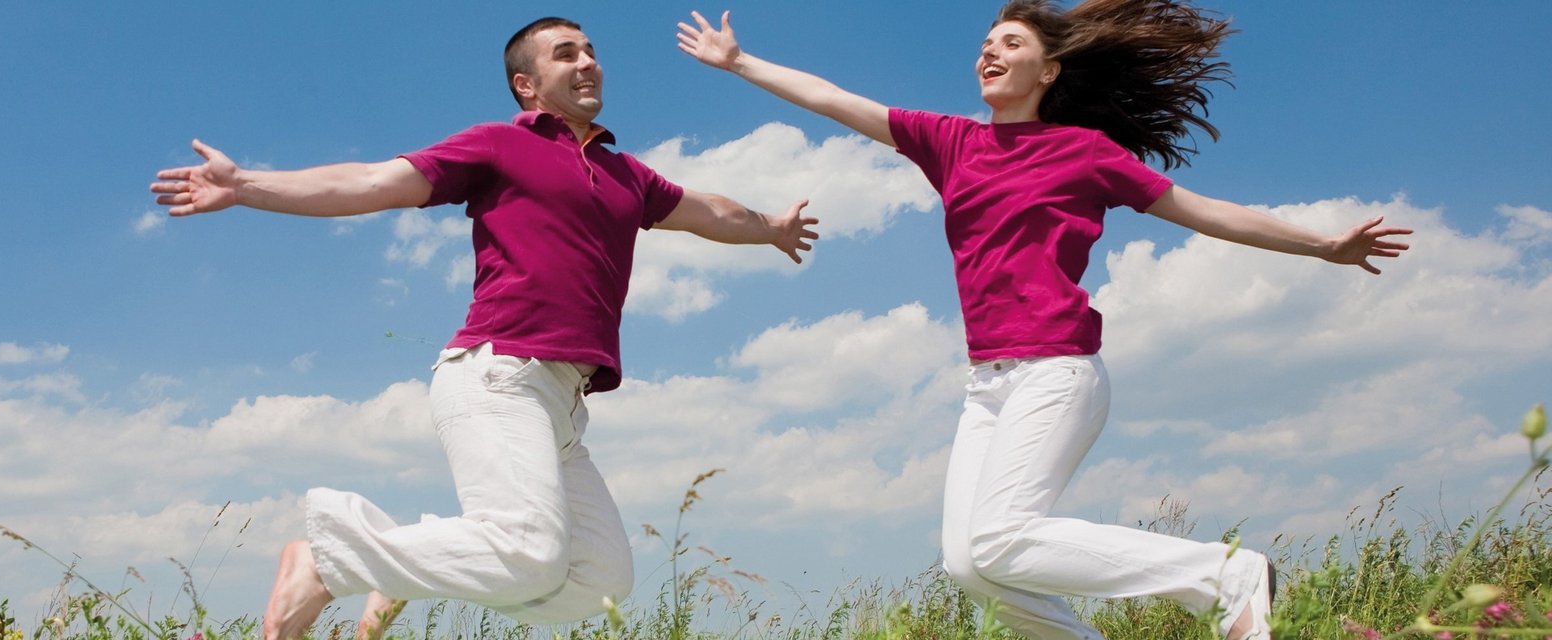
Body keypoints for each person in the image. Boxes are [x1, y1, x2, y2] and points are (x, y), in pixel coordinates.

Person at [676, 2, 1410, 639]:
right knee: (971, 565)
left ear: (1049, 72)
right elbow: (835, 98)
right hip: (986, 384)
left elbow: (1203, 212)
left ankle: (1228, 576)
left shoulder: (1084, 154)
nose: (989, 52)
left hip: (1056, 370)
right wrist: (740, 62)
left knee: (997, 541)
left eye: (1011, 44)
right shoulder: (951, 143)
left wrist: (1325, 245)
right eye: (985, 46)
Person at [151, 16, 818, 640]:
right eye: (567, 54)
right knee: (528, 552)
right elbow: (374, 180)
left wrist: (772, 229)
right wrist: (247, 186)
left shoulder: (624, 174)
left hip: (562, 403)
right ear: (527, 86)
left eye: (591, 52)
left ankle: (392, 564)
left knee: (598, 581)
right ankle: (327, 563)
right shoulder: (500, 146)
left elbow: (707, 210)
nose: (589, 63)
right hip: (499, 374)